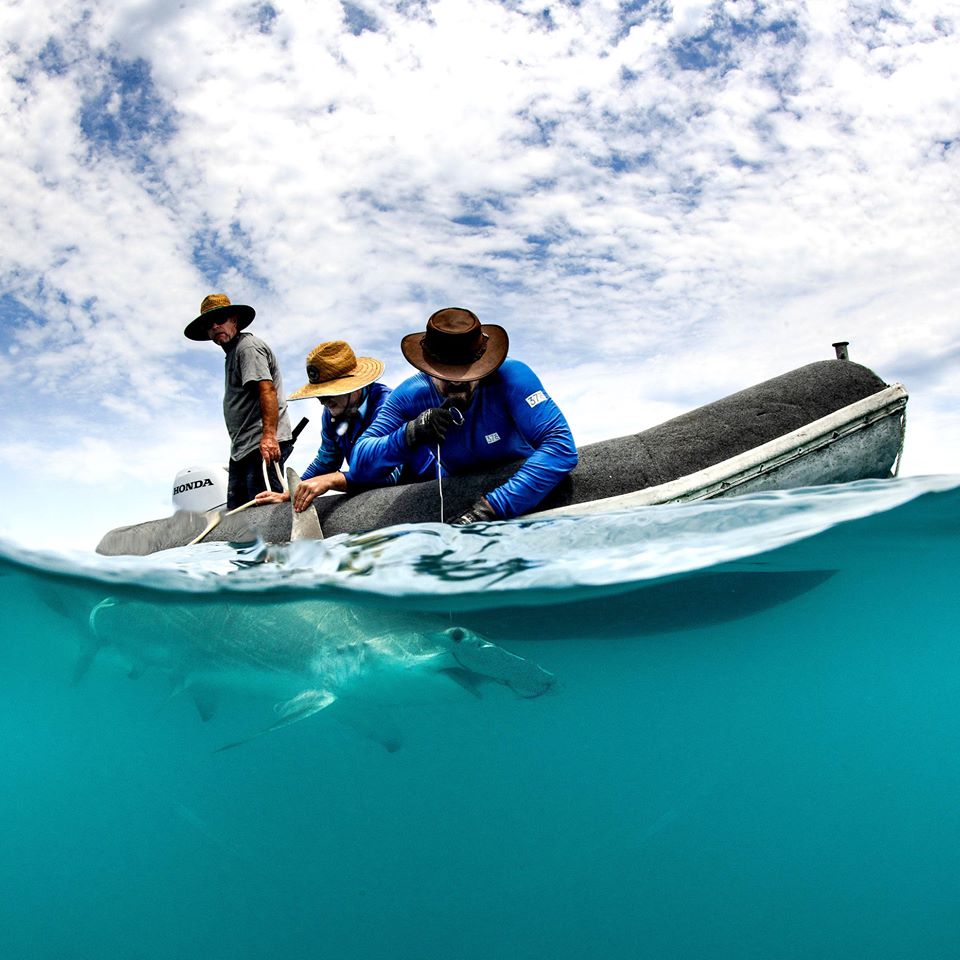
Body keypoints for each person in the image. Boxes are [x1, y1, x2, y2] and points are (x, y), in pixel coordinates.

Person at [351, 307, 578, 524]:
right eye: (447, 374)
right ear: (428, 367)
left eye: (467, 371)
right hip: (458, 490)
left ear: (482, 362)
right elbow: (360, 462)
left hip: (518, 489)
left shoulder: (512, 376)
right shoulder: (409, 396)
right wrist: (409, 434)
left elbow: (561, 447)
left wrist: (491, 510)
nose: (457, 381)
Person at [254, 340, 397, 513]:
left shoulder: (389, 406)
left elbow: (392, 474)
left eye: (330, 392)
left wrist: (332, 480)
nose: (323, 402)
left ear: (354, 385)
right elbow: (326, 461)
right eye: (319, 395)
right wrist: (290, 492)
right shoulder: (332, 412)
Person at [184, 293, 293, 509]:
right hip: (241, 450)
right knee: (238, 514)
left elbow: (267, 390)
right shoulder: (232, 353)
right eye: (209, 324)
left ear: (234, 321)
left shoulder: (247, 347)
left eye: (221, 320)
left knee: (266, 513)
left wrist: (270, 437)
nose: (215, 326)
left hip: (260, 446)